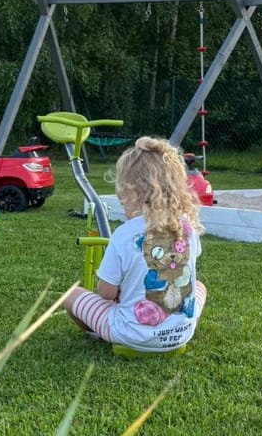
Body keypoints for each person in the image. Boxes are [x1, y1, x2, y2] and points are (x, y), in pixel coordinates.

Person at [61, 136, 207, 353]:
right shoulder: (187, 228)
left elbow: (106, 292)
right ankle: (174, 326)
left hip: (130, 334)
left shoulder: (124, 235)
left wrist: (120, 292)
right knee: (200, 286)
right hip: (180, 336)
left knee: (71, 296)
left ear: (131, 192)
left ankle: (99, 332)